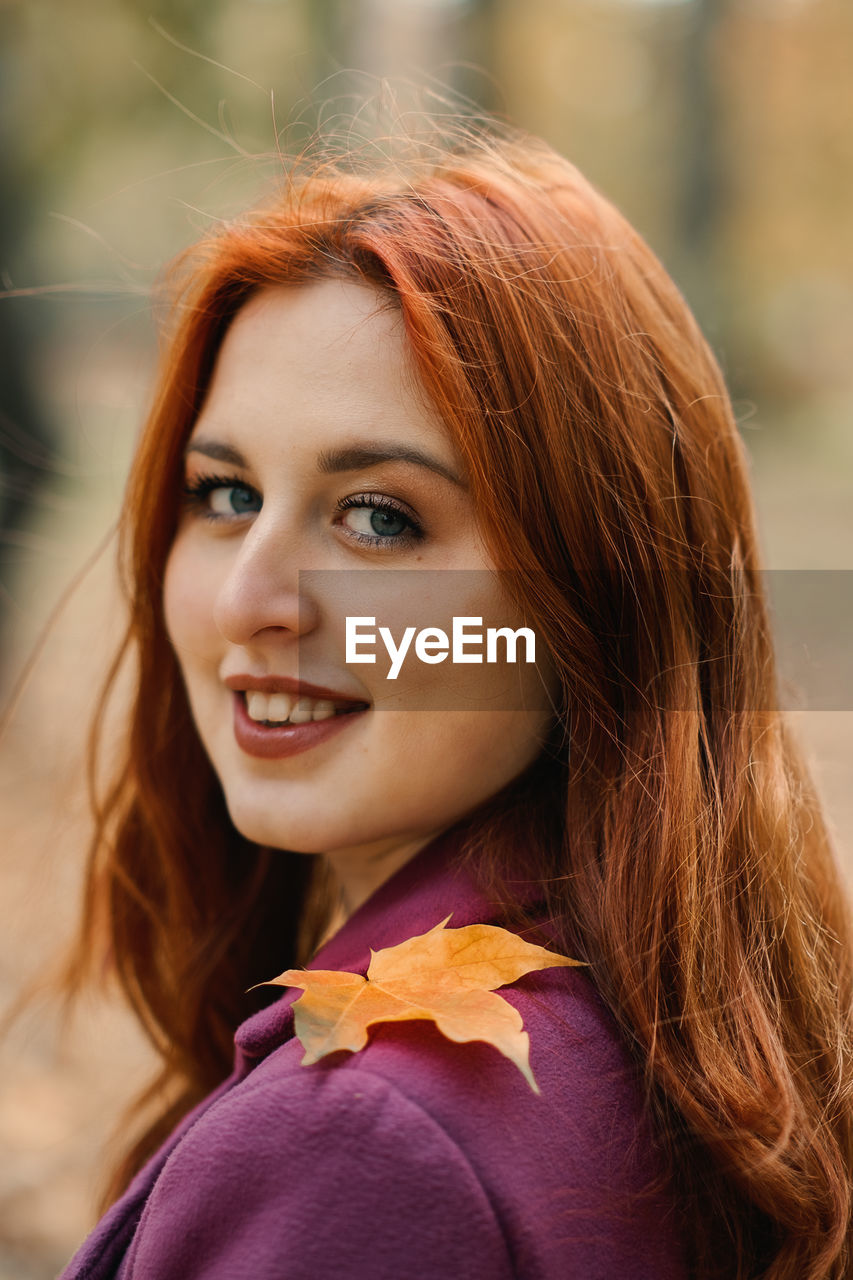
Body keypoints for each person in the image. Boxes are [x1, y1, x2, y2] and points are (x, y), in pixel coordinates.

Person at [56, 119, 852, 1280]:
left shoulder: (361, 1140)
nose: (249, 598)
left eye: (378, 516)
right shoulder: (689, 1040)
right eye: (223, 492)